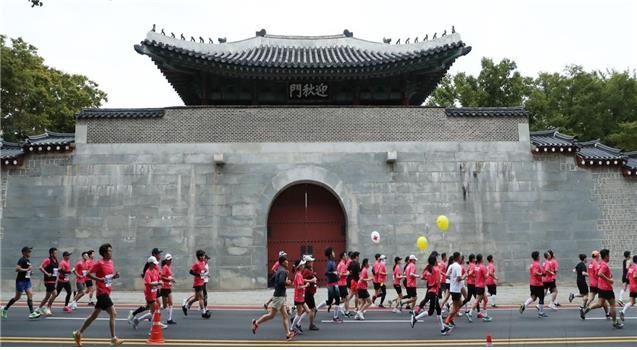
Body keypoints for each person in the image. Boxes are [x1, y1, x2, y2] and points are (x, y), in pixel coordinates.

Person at [72, 243, 124, 346]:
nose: (111, 252)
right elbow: (88, 274)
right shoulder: (99, 263)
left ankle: (78, 333)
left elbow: (107, 277)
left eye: (111, 250)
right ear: (104, 253)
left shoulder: (111, 262)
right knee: (113, 313)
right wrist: (99, 279)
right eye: (109, 251)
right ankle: (113, 338)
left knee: (93, 316)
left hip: (107, 291)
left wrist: (114, 276)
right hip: (102, 292)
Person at [252, 254, 296, 341]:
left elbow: (272, 280)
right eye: (286, 261)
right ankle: (256, 323)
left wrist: (280, 283)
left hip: (280, 295)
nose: (287, 262)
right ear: (283, 262)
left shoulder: (279, 270)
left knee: (285, 316)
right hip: (279, 296)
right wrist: (287, 282)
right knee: (272, 315)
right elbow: (280, 282)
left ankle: (288, 334)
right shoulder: (283, 271)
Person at [580, 249, 623, 329]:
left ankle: (586, 309)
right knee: (613, 305)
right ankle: (615, 322)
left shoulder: (600, 263)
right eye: (609, 255)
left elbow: (597, 273)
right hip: (607, 288)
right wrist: (609, 279)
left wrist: (608, 275)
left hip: (600, 287)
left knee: (599, 304)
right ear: (606, 256)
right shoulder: (604, 265)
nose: (609, 257)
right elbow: (599, 273)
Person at [411, 255, 447, 332]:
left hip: (431, 290)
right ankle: (415, 318)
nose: (437, 261)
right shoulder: (436, 269)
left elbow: (422, 277)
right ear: (434, 261)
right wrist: (436, 281)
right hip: (434, 291)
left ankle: (443, 328)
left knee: (438, 310)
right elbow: (437, 281)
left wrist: (430, 279)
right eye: (436, 260)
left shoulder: (428, 269)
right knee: (430, 312)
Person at [2, 246, 35, 319]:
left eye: (30, 251)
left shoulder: (28, 260)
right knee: (17, 297)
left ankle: (32, 313)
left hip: (27, 280)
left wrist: (30, 272)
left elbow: (28, 270)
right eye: (29, 251)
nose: (30, 253)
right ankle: (5, 309)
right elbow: (17, 269)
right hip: (21, 281)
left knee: (30, 294)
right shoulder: (21, 260)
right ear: (24, 252)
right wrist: (27, 269)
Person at [130, 256, 163, 330]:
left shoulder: (155, 271)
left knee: (152, 312)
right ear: (150, 264)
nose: (155, 265)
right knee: (156, 311)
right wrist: (157, 283)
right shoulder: (147, 273)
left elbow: (159, 278)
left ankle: (137, 321)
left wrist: (160, 282)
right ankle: (154, 328)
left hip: (154, 293)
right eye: (154, 264)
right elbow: (148, 284)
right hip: (149, 295)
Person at [316, 247, 343, 323]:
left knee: (333, 300)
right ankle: (334, 317)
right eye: (333, 252)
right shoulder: (330, 262)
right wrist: (334, 273)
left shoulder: (332, 262)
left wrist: (337, 276)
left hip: (334, 283)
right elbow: (326, 272)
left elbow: (333, 273)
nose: (334, 253)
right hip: (331, 284)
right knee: (333, 300)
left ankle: (335, 317)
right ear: (330, 255)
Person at [519, 251, 548, 318]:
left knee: (534, 297)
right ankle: (540, 312)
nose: (539, 257)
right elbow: (535, 273)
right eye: (539, 256)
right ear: (537, 257)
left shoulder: (532, 264)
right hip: (538, 284)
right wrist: (542, 274)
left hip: (532, 283)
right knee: (541, 297)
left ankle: (524, 305)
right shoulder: (536, 264)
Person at [182, 250, 210, 318]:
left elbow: (203, 271)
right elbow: (191, 271)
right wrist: (198, 275)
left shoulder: (203, 262)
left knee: (196, 298)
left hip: (202, 282)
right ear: (199, 257)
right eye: (203, 256)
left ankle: (186, 306)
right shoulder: (196, 264)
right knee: (201, 297)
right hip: (197, 283)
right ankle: (204, 312)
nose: (204, 257)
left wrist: (206, 274)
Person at [442, 252, 463, 336]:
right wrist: (464, 277)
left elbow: (446, 276)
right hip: (456, 289)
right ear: (458, 257)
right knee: (455, 307)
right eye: (460, 257)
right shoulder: (458, 266)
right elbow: (459, 278)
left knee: (459, 303)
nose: (461, 258)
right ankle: (447, 321)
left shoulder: (452, 265)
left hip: (452, 288)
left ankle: (449, 319)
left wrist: (452, 279)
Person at [36, 247, 60, 317]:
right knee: (55, 293)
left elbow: (55, 269)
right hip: (48, 280)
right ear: (51, 253)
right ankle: (48, 307)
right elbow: (40, 267)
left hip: (53, 280)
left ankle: (38, 308)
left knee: (47, 296)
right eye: (55, 253)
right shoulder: (47, 260)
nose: (56, 254)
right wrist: (47, 273)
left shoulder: (56, 260)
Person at [291, 259, 310, 334]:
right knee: (299, 313)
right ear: (299, 267)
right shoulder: (298, 275)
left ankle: (297, 324)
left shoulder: (299, 274)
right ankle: (292, 328)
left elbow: (295, 284)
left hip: (300, 297)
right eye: (302, 265)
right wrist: (306, 285)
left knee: (307, 310)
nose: (304, 266)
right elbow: (298, 287)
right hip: (298, 297)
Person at [619, 255, 636, 321]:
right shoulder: (636, 268)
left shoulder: (630, 268)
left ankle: (622, 312)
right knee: (632, 302)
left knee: (632, 302)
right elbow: (635, 276)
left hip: (631, 287)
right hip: (636, 287)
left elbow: (627, 277)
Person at [160, 254, 176, 324]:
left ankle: (169, 319)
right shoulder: (165, 267)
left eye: (170, 259)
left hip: (168, 287)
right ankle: (153, 311)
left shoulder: (168, 267)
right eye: (169, 260)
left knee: (171, 303)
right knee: (164, 306)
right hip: (164, 288)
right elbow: (162, 277)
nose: (170, 261)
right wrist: (170, 280)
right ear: (166, 260)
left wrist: (171, 280)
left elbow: (168, 276)